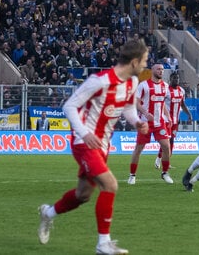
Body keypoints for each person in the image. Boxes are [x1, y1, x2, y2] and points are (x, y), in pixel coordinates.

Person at [37, 38, 149, 255]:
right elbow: (69, 106)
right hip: (84, 143)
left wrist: (136, 122)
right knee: (111, 185)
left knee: (83, 195)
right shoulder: (99, 81)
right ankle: (103, 244)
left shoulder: (132, 83)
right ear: (134, 62)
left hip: (103, 144)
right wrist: (85, 132)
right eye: (144, 60)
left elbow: (127, 108)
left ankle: (47, 213)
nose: (145, 65)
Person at [127, 63, 173, 185]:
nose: (161, 71)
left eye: (162, 69)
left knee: (166, 147)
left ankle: (165, 173)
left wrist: (168, 117)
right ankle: (132, 175)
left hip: (160, 123)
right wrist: (145, 113)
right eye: (158, 69)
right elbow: (136, 103)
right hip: (145, 123)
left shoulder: (165, 86)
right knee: (138, 149)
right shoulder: (143, 85)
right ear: (152, 70)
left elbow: (162, 104)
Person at [156, 72, 191, 171]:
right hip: (166, 120)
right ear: (170, 79)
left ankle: (167, 162)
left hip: (176, 121)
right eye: (175, 78)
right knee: (165, 141)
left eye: (178, 78)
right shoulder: (166, 90)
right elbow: (160, 104)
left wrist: (189, 114)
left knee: (171, 141)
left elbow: (182, 104)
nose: (177, 80)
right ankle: (159, 159)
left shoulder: (181, 91)